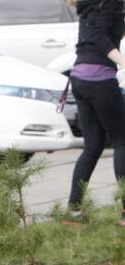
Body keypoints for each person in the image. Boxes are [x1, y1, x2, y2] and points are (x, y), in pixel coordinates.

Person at [66, 0, 125, 223]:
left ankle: (73, 211)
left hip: (79, 77)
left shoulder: (89, 5)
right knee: (122, 141)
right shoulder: (112, 2)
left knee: (93, 146)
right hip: (99, 78)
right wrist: (123, 61)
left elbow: (105, 28)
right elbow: (100, 36)